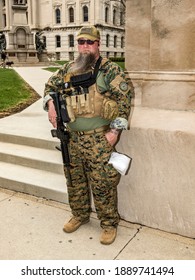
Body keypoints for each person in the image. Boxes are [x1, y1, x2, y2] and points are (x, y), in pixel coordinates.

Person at [43, 26, 134, 245]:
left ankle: (109, 223)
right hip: (72, 138)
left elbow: (124, 100)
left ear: (97, 44)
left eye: (89, 42)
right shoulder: (68, 69)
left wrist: (114, 133)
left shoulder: (109, 70)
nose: (84, 46)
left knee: (103, 183)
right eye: (81, 42)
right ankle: (79, 215)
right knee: (75, 181)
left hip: (98, 139)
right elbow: (49, 86)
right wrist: (50, 103)